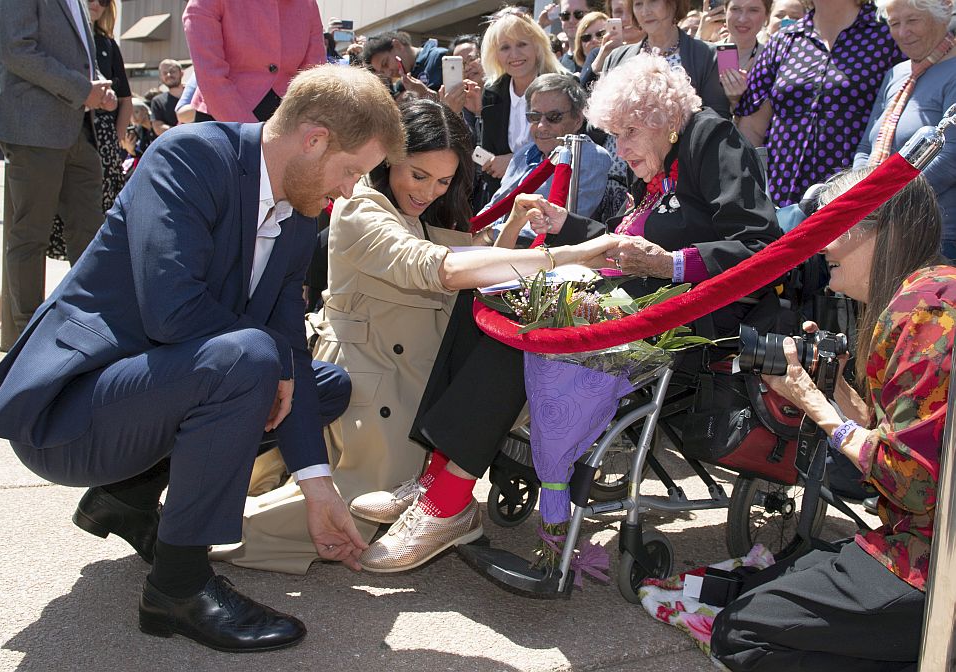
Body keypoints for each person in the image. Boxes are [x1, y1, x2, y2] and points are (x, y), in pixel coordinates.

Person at [0, 65, 400, 653]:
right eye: (351, 170)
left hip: (151, 394)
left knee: (320, 385)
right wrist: (269, 363)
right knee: (253, 361)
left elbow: (288, 345)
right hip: (73, 416)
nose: (351, 189)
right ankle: (178, 587)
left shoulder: (299, 212)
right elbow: (171, 309)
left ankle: (126, 498)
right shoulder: (190, 156)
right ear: (315, 137)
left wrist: (317, 487)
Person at [353, 53, 782, 573]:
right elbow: (627, 241)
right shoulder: (659, 162)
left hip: (688, 321)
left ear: (663, 118)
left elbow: (762, 243)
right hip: (624, 301)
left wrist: (674, 263)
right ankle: (437, 475)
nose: (619, 149)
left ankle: (448, 500)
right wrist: (568, 224)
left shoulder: (709, 139)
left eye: (626, 133)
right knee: (488, 299)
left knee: (533, 324)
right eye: (614, 135)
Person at [213, 99, 625, 574]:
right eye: (419, 174)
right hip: (372, 383)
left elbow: (473, 268)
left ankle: (441, 495)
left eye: (444, 181)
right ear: (389, 158)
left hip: (417, 385)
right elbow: (441, 268)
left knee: (370, 507)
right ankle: (201, 528)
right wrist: (571, 255)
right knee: (349, 517)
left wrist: (511, 226)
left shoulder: (411, 214)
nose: (429, 190)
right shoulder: (360, 207)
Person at [712, 168, 949, 671]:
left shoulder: (926, 313)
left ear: (877, 228)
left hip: (934, 565)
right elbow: (899, 439)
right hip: (917, 540)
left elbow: (911, 483)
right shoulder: (922, 296)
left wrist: (816, 407)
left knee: (741, 634)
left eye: (832, 222)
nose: (820, 240)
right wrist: (834, 385)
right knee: (762, 588)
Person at [0, 0, 117, 345]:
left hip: (79, 129)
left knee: (91, 235)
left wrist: (96, 88)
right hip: (34, 128)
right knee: (30, 234)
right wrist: (81, 89)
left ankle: (88, 327)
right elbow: (18, 50)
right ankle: (28, 341)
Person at [734, 0, 903, 207]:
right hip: (781, 196)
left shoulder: (887, 37)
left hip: (854, 196)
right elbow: (752, 127)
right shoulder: (783, 41)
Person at [853, 0, 956, 259]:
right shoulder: (896, 74)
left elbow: (950, 159)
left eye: (912, 21)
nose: (901, 32)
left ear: (942, 17)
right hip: (884, 232)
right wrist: (857, 191)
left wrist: (882, 199)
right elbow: (867, 147)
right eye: (894, 23)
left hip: (937, 240)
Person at [45, 0, 133, 264]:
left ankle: (89, 272)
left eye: (104, 1)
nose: (96, 4)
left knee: (97, 213)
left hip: (103, 138)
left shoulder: (108, 45)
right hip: (60, 130)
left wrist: (115, 143)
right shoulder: (59, 36)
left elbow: (125, 99)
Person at [479, 73, 613, 242]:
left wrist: (492, 235)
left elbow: (566, 224)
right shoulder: (523, 154)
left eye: (554, 117)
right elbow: (494, 207)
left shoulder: (589, 157)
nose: (542, 126)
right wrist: (471, 233)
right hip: (490, 247)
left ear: (578, 120)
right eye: (534, 117)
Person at [183, 0, 325, 122]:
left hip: (288, 120)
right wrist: (253, 135)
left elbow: (314, 76)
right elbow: (211, 75)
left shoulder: (307, 4)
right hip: (222, 117)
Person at [477, 12, 566, 207]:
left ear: (537, 46)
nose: (514, 55)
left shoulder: (563, 87)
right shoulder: (492, 94)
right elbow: (489, 160)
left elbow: (568, 150)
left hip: (552, 200)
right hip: (503, 202)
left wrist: (514, 163)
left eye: (522, 44)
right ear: (495, 54)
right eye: (505, 47)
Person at [602, 0, 730, 118]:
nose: (645, 11)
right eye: (638, 3)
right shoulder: (616, 57)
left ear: (674, 4)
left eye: (653, 1)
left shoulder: (710, 55)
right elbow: (596, 123)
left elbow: (717, 118)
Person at [363, 31, 449, 96]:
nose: (389, 73)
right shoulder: (400, 86)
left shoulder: (441, 58)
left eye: (385, 63)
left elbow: (457, 104)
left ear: (397, 45)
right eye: (382, 72)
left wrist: (425, 93)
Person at [150, 59, 185, 135]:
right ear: (161, 77)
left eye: (172, 71)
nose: (168, 75)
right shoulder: (157, 101)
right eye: (164, 73)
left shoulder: (195, 94)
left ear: (181, 73)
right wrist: (184, 132)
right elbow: (158, 128)